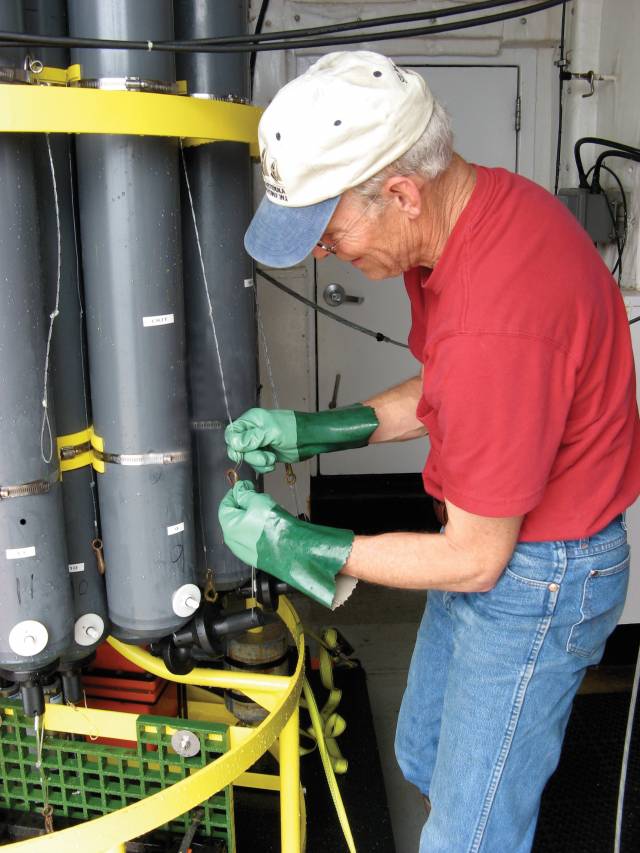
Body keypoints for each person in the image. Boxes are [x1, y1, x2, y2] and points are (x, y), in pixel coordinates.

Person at [218, 51, 640, 852]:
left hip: (537, 579)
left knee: (470, 835)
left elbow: (476, 560)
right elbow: (454, 387)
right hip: (494, 543)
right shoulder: (478, 217)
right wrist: (316, 427)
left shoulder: (498, 317)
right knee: (420, 751)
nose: (320, 252)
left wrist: (301, 542)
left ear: (402, 193)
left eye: (327, 229)